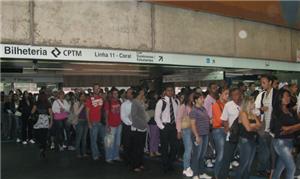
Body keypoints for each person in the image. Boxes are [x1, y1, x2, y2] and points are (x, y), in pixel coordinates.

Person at [270, 89, 299, 179]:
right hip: (280, 142)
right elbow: (282, 129)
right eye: (285, 96)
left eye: (288, 96)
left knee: (279, 169)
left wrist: (291, 128)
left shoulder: (291, 111)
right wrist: (294, 127)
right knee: (291, 168)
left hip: (289, 141)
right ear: (280, 98)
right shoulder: (277, 112)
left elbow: (291, 129)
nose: (287, 98)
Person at [255, 74, 278, 177]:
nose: (262, 84)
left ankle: (273, 170)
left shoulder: (277, 94)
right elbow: (256, 110)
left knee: (273, 151)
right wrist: (261, 109)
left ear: (270, 82)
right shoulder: (262, 95)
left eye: (264, 82)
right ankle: (266, 168)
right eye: (261, 82)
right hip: (265, 127)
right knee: (265, 150)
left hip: (274, 127)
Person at [217, 88, 242, 179]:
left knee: (242, 158)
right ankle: (223, 176)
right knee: (227, 158)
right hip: (232, 136)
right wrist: (227, 128)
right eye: (234, 94)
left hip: (243, 136)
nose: (237, 96)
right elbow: (224, 119)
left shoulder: (244, 104)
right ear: (231, 96)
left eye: (238, 94)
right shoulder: (228, 105)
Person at [154, 84, 179, 173]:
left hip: (174, 126)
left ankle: (170, 163)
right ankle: (165, 165)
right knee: (164, 147)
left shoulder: (176, 101)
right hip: (165, 126)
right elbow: (156, 117)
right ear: (165, 91)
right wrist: (163, 127)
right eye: (168, 90)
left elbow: (178, 116)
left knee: (175, 147)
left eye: (171, 90)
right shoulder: (161, 102)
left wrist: (178, 128)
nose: (170, 92)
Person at [236, 96, 261, 179]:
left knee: (248, 165)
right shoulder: (243, 113)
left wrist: (252, 125)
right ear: (248, 103)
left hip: (252, 140)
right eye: (252, 102)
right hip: (245, 141)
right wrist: (254, 126)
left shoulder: (252, 114)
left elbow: (259, 125)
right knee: (244, 164)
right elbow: (248, 128)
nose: (254, 104)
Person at [190, 92, 212, 179]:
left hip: (205, 134)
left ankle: (202, 173)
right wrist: (196, 136)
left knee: (202, 155)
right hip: (199, 135)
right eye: (201, 98)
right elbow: (192, 124)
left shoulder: (203, 108)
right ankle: (195, 174)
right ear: (196, 100)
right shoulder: (194, 110)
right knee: (197, 155)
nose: (203, 100)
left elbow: (207, 119)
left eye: (203, 98)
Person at [129, 87, 149, 172]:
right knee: (136, 148)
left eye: (143, 93)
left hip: (142, 128)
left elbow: (143, 113)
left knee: (141, 147)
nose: (143, 94)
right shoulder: (135, 102)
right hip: (137, 127)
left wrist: (144, 103)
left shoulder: (141, 102)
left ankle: (140, 163)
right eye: (142, 92)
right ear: (138, 93)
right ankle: (135, 165)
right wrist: (143, 123)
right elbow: (134, 116)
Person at [212, 87, 229, 177]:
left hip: (226, 130)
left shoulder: (227, 104)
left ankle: (222, 174)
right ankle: (217, 175)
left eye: (228, 94)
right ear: (220, 94)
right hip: (219, 130)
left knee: (225, 155)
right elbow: (220, 120)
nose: (227, 95)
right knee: (221, 154)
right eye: (225, 93)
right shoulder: (216, 105)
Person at [176, 91, 194, 177]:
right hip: (185, 129)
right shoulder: (183, 106)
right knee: (188, 148)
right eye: (192, 96)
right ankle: (186, 168)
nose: (193, 97)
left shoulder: (192, 105)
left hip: (192, 129)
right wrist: (179, 131)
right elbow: (178, 119)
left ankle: (189, 166)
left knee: (191, 148)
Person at [31, 92, 53, 158]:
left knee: (38, 135)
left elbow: (32, 111)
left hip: (38, 120)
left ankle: (41, 147)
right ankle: (43, 148)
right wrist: (51, 122)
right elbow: (51, 114)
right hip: (45, 119)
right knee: (44, 135)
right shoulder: (48, 103)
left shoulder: (36, 103)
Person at [86, 84, 105, 160]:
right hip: (93, 122)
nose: (96, 90)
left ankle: (99, 153)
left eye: (98, 88)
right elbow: (87, 112)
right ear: (93, 89)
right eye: (95, 88)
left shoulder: (101, 98)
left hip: (101, 122)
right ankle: (95, 155)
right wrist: (89, 123)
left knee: (102, 140)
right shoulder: (89, 99)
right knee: (93, 140)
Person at [104, 88, 122, 163]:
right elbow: (106, 115)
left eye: (117, 93)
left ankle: (116, 156)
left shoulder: (119, 101)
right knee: (110, 142)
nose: (116, 95)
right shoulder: (108, 102)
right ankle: (109, 158)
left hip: (119, 124)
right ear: (111, 94)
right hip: (111, 125)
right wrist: (107, 125)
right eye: (114, 93)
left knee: (117, 142)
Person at [203, 83, 218, 168]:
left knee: (213, 142)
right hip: (208, 124)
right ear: (209, 89)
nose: (215, 89)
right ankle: (207, 159)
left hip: (215, 124)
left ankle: (212, 157)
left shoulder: (215, 99)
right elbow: (205, 113)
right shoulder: (207, 100)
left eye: (216, 88)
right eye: (213, 88)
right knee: (208, 142)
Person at [120, 88, 134, 165]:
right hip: (127, 126)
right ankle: (127, 159)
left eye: (131, 93)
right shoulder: (124, 104)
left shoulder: (136, 103)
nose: (130, 94)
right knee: (127, 143)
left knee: (134, 144)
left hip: (136, 126)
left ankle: (133, 158)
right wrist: (131, 123)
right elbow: (123, 117)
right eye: (128, 93)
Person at [73, 92, 88, 158]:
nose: (83, 97)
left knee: (84, 139)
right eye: (81, 96)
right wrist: (82, 106)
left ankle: (84, 152)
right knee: (78, 138)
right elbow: (76, 113)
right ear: (79, 97)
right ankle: (78, 153)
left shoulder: (87, 103)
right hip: (79, 122)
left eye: (84, 96)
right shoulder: (76, 103)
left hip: (86, 122)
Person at [147, 90, 161, 157]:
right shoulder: (152, 102)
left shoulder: (156, 101)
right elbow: (153, 111)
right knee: (153, 137)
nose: (157, 95)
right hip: (153, 121)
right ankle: (151, 151)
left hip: (156, 121)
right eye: (156, 94)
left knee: (156, 137)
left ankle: (155, 150)